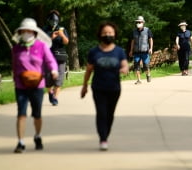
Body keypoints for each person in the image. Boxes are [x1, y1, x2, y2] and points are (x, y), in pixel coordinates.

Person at [11, 18, 59, 153]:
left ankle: (37, 136)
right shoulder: (16, 48)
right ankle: (20, 142)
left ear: (34, 32)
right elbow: (14, 66)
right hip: (21, 85)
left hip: (37, 85)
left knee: (37, 114)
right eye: (24, 30)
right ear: (20, 32)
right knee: (21, 113)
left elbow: (51, 61)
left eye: (29, 30)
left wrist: (54, 70)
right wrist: (16, 79)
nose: (26, 32)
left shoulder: (41, 46)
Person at [80, 22, 129, 151]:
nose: (107, 35)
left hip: (114, 88)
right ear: (100, 35)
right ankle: (103, 138)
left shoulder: (119, 51)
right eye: (105, 33)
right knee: (101, 113)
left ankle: (105, 134)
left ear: (115, 34)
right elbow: (89, 70)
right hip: (98, 87)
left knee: (110, 114)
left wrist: (124, 69)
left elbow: (125, 65)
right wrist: (84, 86)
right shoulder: (94, 52)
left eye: (110, 33)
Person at [43, 10, 69, 106]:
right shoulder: (44, 30)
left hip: (60, 57)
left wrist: (62, 35)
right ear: (48, 19)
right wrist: (51, 37)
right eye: (52, 18)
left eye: (56, 18)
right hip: (48, 58)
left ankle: (55, 98)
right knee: (48, 79)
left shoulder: (62, 29)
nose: (54, 20)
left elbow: (66, 42)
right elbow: (40, 44)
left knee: (59, 79)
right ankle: (50, 92)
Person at [129, 16, 153, 84]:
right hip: (136, 52)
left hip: (145, 51)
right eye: (137, 22)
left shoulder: (147, 30)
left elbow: (150, 39)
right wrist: (131, 50)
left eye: (139, 22)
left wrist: (151, 48)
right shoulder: (134, 31)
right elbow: (132, 41)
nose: (138, 23)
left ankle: (148, 75)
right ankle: (139, 80)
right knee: (136, 65)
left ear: (143, 23)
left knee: (146, 66)